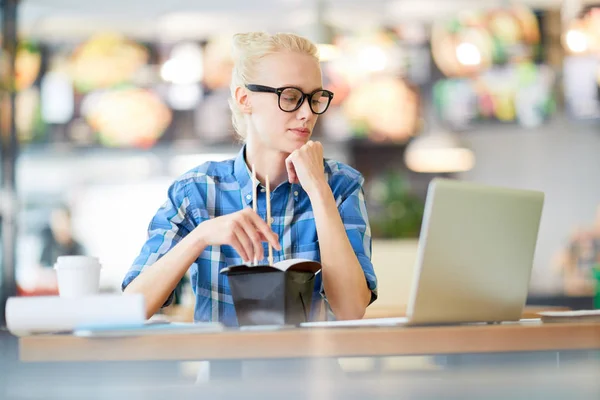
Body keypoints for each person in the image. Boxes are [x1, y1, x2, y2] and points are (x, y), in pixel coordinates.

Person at [122, 32, 378, 326]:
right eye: (291, 97)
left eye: (316, 98)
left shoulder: (340, 185)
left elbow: (351, 309)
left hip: (314, 369)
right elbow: (132, 307)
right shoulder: (197, 190)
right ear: (245, 99)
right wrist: (201, 236)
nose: (307, 113)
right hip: (225, 370)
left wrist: (319, 190)